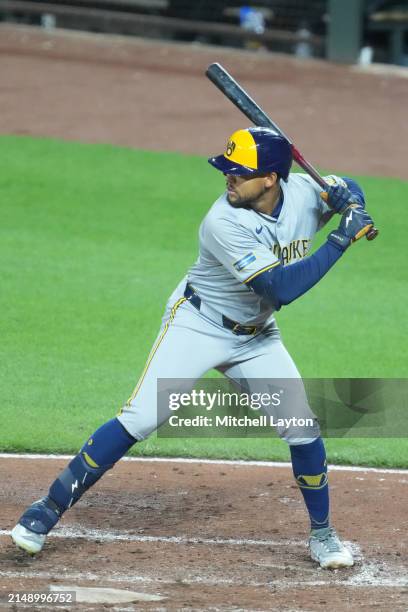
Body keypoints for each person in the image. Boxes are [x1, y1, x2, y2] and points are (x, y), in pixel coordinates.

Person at [11, 127, 375, 569]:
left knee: (302, 428)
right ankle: (45, 511)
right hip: (198, 324)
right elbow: (280, 289)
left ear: (271, 179)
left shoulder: (303, 191)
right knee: (141, 418)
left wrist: (348, 198)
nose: (228, 180)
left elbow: (348, 189)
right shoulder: (223, 221)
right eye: (227, 172)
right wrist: (340, 238)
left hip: (256, 336)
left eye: (239, 174)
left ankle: (323, 535)